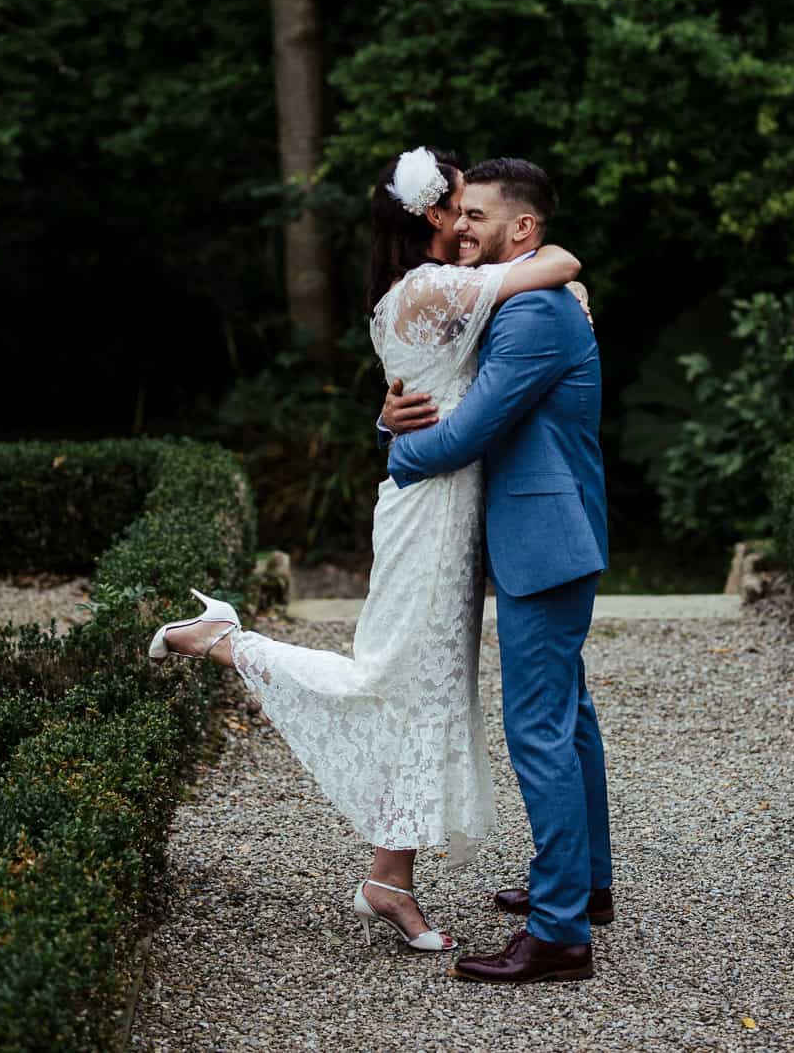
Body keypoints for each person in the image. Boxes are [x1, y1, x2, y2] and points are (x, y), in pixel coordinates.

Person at [147, 146, 583, 956]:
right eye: (461, 203)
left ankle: (390, 876)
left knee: (435, 690)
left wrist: (390, 415)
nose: (470, 216)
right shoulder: (432, 287)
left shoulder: (425, 288)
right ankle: (224, 642)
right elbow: (558, 260)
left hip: (454, 510)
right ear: (432, 216)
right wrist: (562, 275)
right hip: (428, 505)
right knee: (387, 674)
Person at [383, 157, 612, 985]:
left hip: (543, 541)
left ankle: (558, 937)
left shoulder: (535, 315)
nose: (460, 225)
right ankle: (585, 887)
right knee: (569, 718)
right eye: (457, 212)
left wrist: (392, 450)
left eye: (475, 214)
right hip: (549, 532)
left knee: (539, 729)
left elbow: (461, 435)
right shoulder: (521, 298)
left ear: (524, 228)